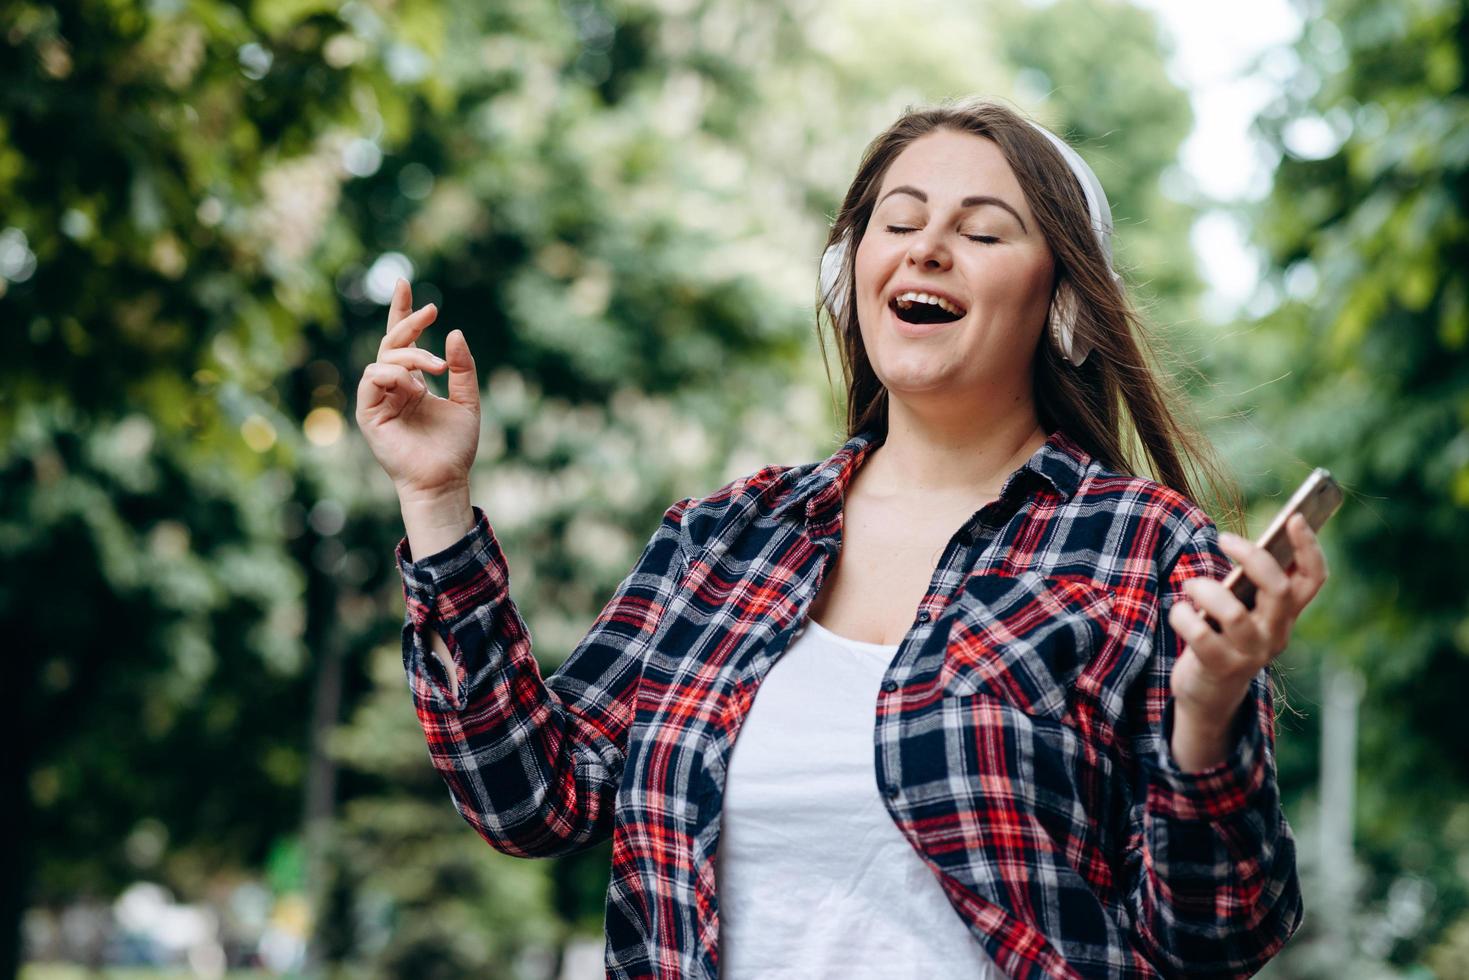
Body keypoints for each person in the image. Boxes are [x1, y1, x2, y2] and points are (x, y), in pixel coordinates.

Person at [354, 96, 1327, 979]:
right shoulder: (725, 538)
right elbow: (531, 796)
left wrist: (1207, 716)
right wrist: (436, 501)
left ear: (1063, 303)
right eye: (897, 222)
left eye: (981, 231)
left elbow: (1217, 941)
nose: (926, 248)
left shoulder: (1147, 553)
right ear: (850, 273)